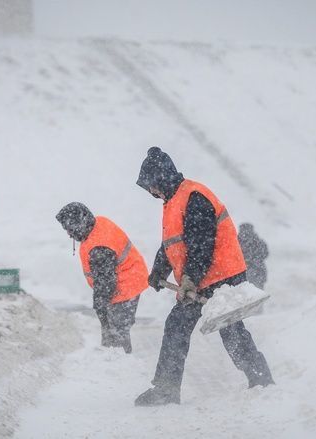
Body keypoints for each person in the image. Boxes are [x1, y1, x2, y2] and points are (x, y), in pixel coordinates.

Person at [134, 147, 274, 406]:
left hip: (222, 276)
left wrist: (189, 278)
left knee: (226, 329)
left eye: (151, 186)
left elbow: (201, 245)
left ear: (161, 178)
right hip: (203, 277)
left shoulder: (194, 196)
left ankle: (260, 379)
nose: (151, 192)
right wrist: (158, 271)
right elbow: (171, 244)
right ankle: (259, 378)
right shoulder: (173, 201)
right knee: (186, 326)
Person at [56, 202, 148, 353]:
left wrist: (100, 304)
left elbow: (105, 282)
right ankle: (114, 358)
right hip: (129, 277)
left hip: (125, 284)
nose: (68, 234)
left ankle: (119, 363)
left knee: (116, 332)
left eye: (70, 229)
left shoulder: (99, 247)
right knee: (113, 331)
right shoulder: (97, 224)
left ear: (80, 223)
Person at [238, 223, 269, 290]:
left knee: (241, 291)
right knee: (257, 291)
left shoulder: (236, 241)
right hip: (257, 270)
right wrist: (255, 259)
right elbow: (265, 254)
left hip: (242, 271)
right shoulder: (258, 241)